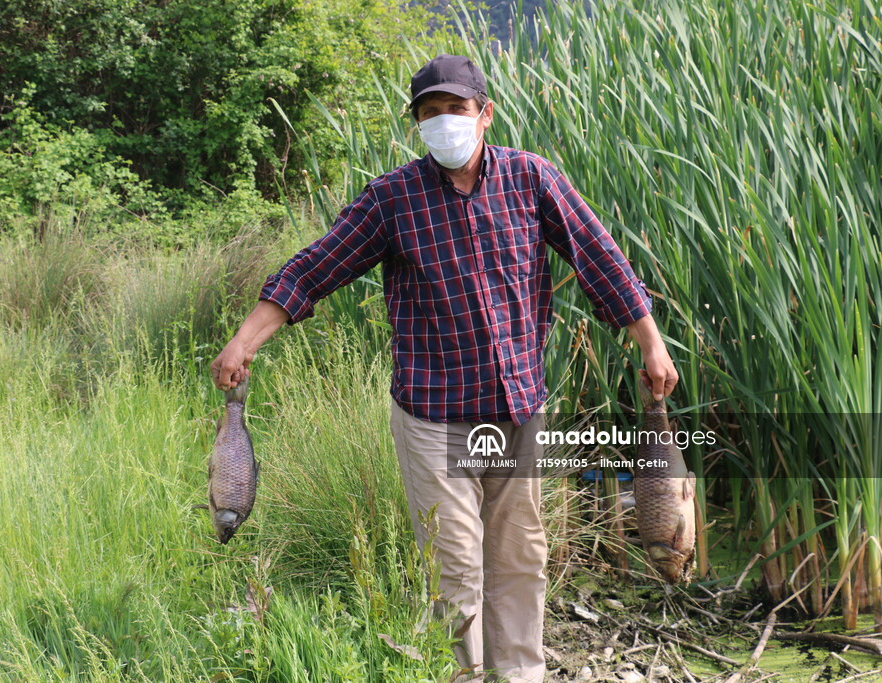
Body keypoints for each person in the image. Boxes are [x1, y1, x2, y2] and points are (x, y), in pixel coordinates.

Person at [211, 53, 678, 682]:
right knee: (455, 571)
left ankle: (520, 676)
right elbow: (311, 270)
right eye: (430, 113)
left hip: (518, 409)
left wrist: (649, 341)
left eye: (455, 109)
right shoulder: (392, 200)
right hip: (434, 418)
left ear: (484, 114)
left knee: (520, 561)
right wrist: (244, 342)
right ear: (418, 125)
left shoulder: (531, 180)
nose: (444, 122)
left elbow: (600, 256)